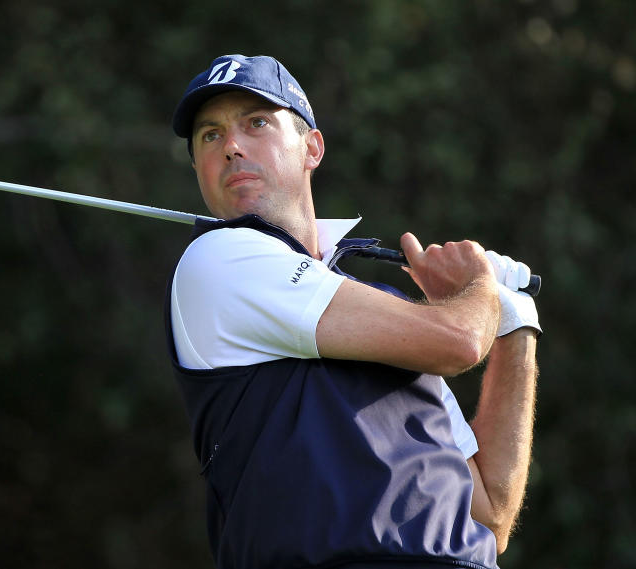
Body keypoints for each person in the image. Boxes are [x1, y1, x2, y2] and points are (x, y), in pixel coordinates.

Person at [164, 54, 541, 569]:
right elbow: (458, 341)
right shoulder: (219, 259)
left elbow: (491, 515)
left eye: (257, 124)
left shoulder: (390, 318)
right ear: (197, 167)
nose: (232, 146)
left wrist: (515, 324)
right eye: (211, 135)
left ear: (311, 148)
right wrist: (479, 289)